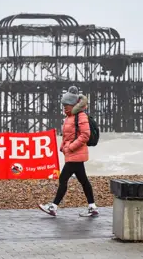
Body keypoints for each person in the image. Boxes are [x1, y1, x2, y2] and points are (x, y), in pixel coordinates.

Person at [38, 86, 99, 217]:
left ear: (74, 104)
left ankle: (53, 207)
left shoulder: (80, 116)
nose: (65, 107)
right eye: (64, 105)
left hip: (76, 154)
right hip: (72, 154)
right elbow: (67, 135)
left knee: (63, 178)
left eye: (67, 105)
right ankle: (92, 207)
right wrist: (62, 147)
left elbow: (85, 135)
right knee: (84, 181)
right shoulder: (69, 117)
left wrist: (70, 147)